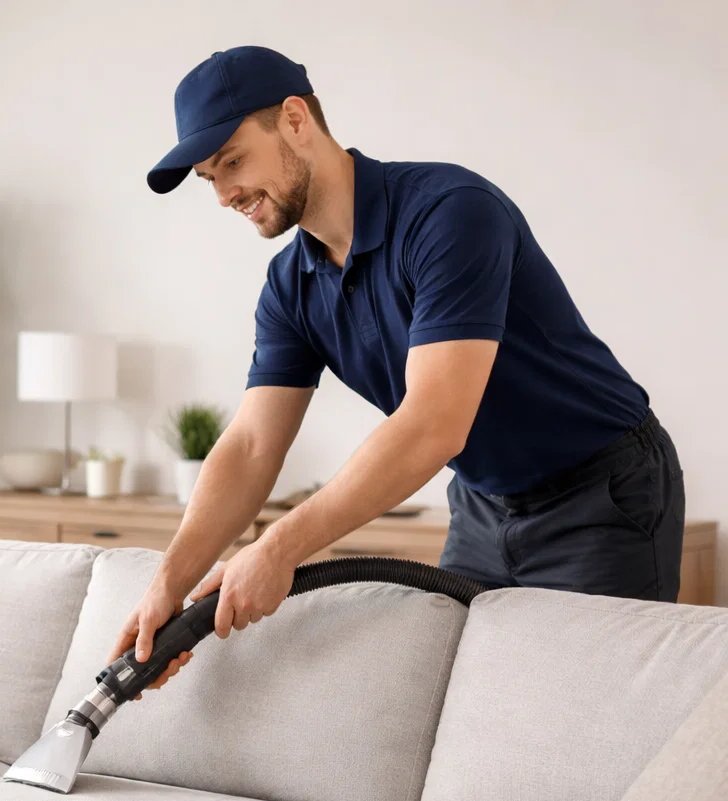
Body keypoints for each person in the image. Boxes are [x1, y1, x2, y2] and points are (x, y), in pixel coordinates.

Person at [114, 45, 684, 693]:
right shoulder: (290, 286)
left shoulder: (450, 213)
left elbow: (434, 424)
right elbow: (249, 446)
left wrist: (277, 546)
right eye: (208, 177)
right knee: (468, 708)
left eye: (233, 162)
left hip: (601, 494)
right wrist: (167, 586)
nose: (224, 195)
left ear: (296, 120)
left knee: (589, 719)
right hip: (481, 503)